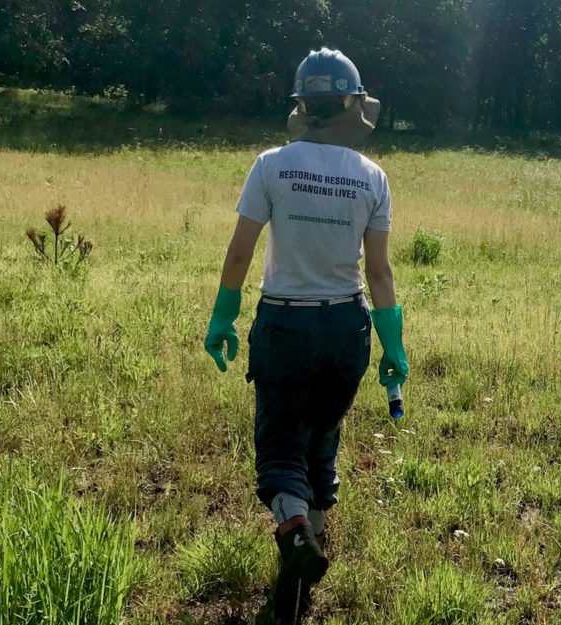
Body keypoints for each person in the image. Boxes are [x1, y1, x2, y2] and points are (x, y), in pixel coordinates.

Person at [202, 48, 409, 624]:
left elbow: (242, 250)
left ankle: (294, 534)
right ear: (352, 105)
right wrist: (393, 348)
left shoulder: (271, 165)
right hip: (348, 328)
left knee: (278, 448)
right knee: (323, 435)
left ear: (301, 105)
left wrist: (222, 317)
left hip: (286, 324)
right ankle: (307, 557)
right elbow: (380, 272)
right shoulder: (372, 177)